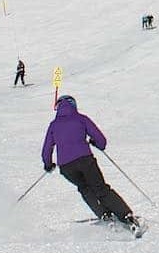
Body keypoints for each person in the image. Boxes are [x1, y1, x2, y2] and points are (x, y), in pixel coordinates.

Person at [41, 95, 139, 232]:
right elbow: (101, 140)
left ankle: (105, 216)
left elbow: (47, 148)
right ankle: (126, 217)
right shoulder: (81, 119)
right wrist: (96, 143)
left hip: (66, 167)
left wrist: (48, 163)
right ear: (73, 105)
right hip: (85, 160)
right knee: (101, 188)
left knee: (85, 188)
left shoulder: (53, 125)